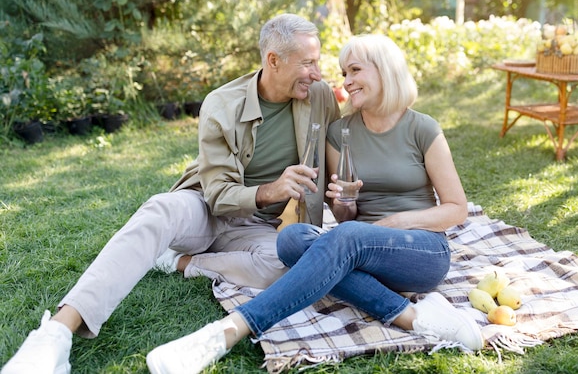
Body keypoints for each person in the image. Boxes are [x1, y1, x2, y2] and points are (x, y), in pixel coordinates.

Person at [1, 13, 341, 374]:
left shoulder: (318, 97)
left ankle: (180, 261)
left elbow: (337, 156)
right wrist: (271, 189)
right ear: (273, 60)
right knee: (159, 211)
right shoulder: (222, 104)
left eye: (316, 61)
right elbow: (218, 195)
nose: (317, 73)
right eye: (308, 63)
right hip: (207, 207)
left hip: (259, 226)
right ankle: (55, 333)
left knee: (286, 266)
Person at [144, 34, 483, 374]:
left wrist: (392, 224)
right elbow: (342, 216)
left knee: (347, 236)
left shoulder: (423, 128)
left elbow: (456, 208)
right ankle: (414, 318)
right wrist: (344, 204)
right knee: (292, 240)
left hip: (420, 251)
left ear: (385, 70)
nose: (346, 82)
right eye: (343, 72)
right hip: (360, 252)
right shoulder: (341, 132)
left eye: (354, 71)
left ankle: (227, 332)